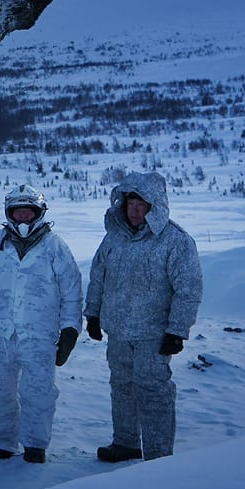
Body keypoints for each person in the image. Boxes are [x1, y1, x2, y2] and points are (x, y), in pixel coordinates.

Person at [85, 171, 203, 462]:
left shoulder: (175, 241)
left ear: (156, 206)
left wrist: (177, 330)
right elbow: (98, 275)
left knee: (153, 391)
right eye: (131, 203)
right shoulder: (114, 239)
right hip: (119, 331)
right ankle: (125, 443)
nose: (135, 210)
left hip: (154, 334)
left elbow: (188, 288)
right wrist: (93, 315)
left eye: (142, 204)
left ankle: (158, 454)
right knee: (121, 387)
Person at [0, 184, 82, 464]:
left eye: (28, 214)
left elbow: (71, 290)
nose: (23, 220)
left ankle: (35, 444)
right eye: (18, 214)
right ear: (9, 214)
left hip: (39, 334)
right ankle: (0, 443)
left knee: (39, 391)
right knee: (0, 390)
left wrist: (70, 330)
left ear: (39, 214)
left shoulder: (54, 246)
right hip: (1, 333)